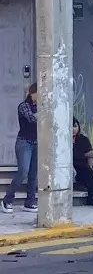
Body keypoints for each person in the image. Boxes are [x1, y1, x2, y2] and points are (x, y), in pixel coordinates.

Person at [2, 83, 37, 213]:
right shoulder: (24, 106)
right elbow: (33, 119)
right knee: (23, 171)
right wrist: (46, 111)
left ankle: (30, 201)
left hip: (37, 143)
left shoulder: (39, 106)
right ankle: (7, 200)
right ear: (33, 93)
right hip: (24, 143)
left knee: (33, 174)